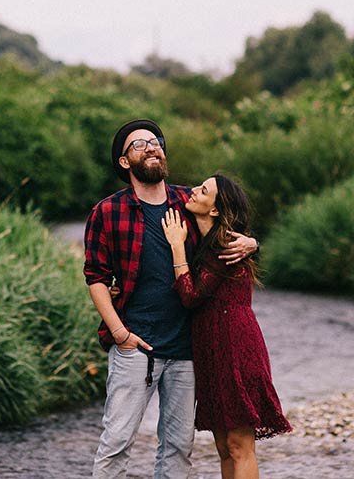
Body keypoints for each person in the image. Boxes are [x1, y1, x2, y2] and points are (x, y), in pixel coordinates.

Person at [83, 119, 258, 479]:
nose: (151, 147)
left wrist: (253, 242)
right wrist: (119, 334)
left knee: (178, 450)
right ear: (123, 162)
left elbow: (227, 223)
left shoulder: (188, 202)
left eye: (156, 141)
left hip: (186, 350)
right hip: (135, 347)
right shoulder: (107, 211)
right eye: (139, 144)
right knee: (116, 444)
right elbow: (96, 278)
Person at [162, 174, 292, 479]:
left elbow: (191, 296)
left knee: (239, 446)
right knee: (223, 446)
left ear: (216, 209)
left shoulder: (227, 245)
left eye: (203, 190)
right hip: (211, 350)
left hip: (235, 347)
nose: (193, 191)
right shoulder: (208, 240)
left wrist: (177, 248)